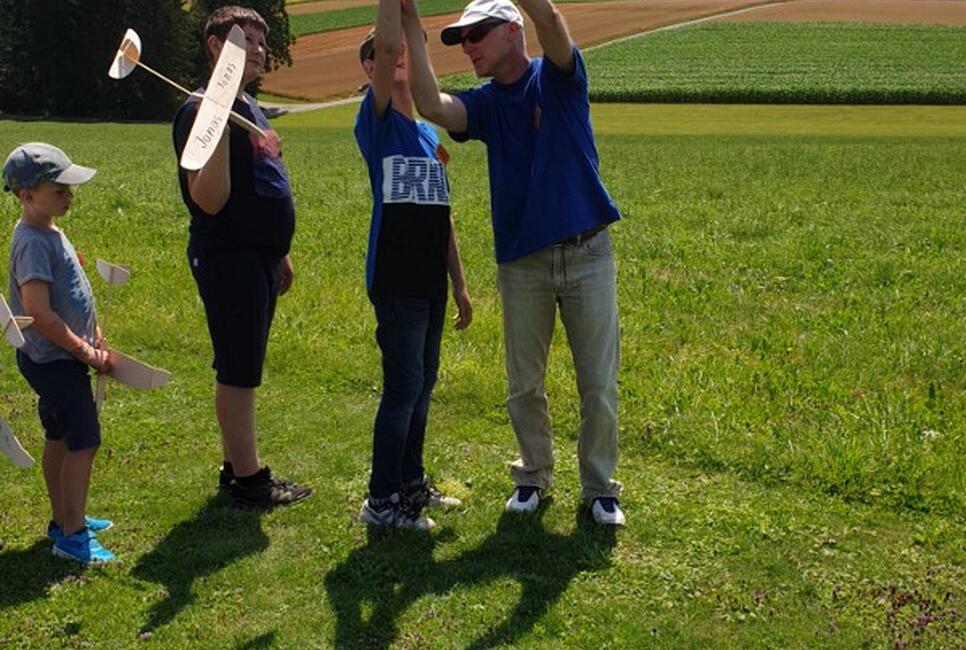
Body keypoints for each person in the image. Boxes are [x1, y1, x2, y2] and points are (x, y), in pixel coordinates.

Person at [402, 0, 625, 524]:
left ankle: (599, 487)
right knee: (524, 383)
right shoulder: (484, 105)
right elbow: (432, 105)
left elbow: (549, 22)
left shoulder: (559, 79)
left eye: (478, 34)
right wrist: (411, 23)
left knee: (599, 381)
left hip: (587, 251)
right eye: (461, 39)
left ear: (511, 31)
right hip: (523, 262)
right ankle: (533, 475)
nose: (470, 47)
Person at [174, 6, 311, 508]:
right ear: (216, 47)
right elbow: (208, 198)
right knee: (239, 368)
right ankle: (251, 482)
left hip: (260, 258)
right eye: (244, 40)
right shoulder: (198, 111)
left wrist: (281, 252)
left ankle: (236, 468)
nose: (256, 49)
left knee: (244, 361)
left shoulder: (249, 108)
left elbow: (264, 180)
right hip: (228, 255)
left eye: (260, 41)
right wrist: (215, 115)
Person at [354, 0, 474, 530]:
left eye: (407, 52)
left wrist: (461, 286)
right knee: (403, 387)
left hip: (430, 282)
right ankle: (380, 501)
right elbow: (388, 43)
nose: (398, 57)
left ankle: (409, 484)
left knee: (423, 383)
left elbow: (441, 218)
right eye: (386, 55)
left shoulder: (429, 134)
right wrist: (392, 9)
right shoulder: (376, 124)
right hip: (396, 279)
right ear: (372, 68)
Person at [5, 142, 117, 563]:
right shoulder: (33, 241)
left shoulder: (48, 229)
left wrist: (96, 331)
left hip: (57, 360)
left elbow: (72, 294)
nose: (69, 197)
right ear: (27, 195)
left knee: (59, 436)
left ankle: (63, 517)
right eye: (60, 190)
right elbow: (40, 313)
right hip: (56, 363)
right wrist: (86, 352)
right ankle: (72, 534)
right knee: (83, 442)